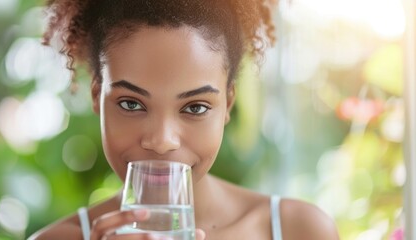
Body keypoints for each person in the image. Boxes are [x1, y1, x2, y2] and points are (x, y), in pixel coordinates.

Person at [30, 0, 340, 239]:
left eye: (195, 108)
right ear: (97, 97)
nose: (162, 141)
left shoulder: (298, 230)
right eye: (130, 103)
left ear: (227, 104)